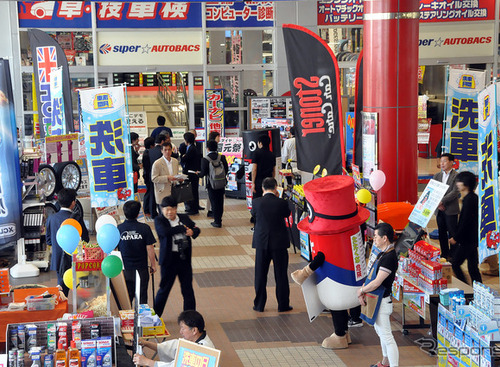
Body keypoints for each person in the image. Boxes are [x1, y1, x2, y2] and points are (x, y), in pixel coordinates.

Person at [357, 223, 399, 367]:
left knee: (387, 336)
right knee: (381, 333)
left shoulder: (389, 257)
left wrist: (362, 290)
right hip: (379, 301)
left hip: (382, 302)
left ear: (385, 238)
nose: (373, 239)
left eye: (376, 236)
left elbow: (377, 282)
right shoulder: (384, 253)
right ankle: (385, 362)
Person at [154, 196, 200, 317]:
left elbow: (196, 228)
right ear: (162, 209)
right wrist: (181, 228)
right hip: (168, 260)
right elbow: (164, 232)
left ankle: (190, 317)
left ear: (176, 208)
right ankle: (155, 316)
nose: (169, 212)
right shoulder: (159, 220)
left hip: (183, 258)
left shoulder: (184, 217)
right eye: (166, 209)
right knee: (164, 289)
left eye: (172, 209)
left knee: (187, 290)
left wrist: (193, 232)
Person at [251, 177, 292, 312]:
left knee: (260, 275)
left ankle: (259, 305)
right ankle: (283, 305)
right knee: (281, 274)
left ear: (262, 188)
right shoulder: (281, 203)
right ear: (275, 188)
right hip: (279, 243)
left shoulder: (256, 202)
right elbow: (287, 214)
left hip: (262, 243)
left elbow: (254, 215)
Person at [46, 188, 89, 296]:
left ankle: (61, 312)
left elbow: (49, 240)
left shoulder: (51, 218)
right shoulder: (76, 218)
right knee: (81, 291)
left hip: (58, 259)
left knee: (61, 291)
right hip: (75, 260)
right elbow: (85, 239)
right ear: (73, 202)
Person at [133, 310, 214, 367]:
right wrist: (146, 343)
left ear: (194, 330)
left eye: (183, 328)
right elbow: (172, 347)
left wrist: (147, 362)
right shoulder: (195, 339)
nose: (180, 332)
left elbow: (175, 365)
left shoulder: (202, 350)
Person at [117, 200, 157, 305]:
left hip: (125, 270)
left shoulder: (119, 229)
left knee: (127, 298)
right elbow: (150, 248)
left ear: (124, 212)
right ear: (138, 213)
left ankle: (127, 319)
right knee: (142, 298)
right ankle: (141, 319)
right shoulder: (144, 228)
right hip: (141, 269)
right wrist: (153, 265)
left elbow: (114, 250)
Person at [449, 171, 482, 285]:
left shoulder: (469, 200)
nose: (457, 184)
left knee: (456, 263)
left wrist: (456, 238)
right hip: (472, 239)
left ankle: (466, 286)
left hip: (467, 240)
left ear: (465, 184)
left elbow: (465, 222)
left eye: (459, 182)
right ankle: (478, 290)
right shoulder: (472, 198)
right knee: (473, 267)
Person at [432, 153, 460, 261]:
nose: (442, 163)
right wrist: (438, 204)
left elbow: (455, 192)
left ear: (451, 162)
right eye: (441, 161)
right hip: (440, 210)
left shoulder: (456, 176)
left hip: (451, 209)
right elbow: (433, 190)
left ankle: (453, 255)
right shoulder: (437, 176)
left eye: (444, 161)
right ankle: (444, 254)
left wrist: (442, 201)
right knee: (442, 232)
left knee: (453, 233)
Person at [199, 139, 228, 228]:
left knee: (214, 202)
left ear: (207, 148)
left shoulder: (205, 159)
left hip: (211, 184)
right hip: (221, 182)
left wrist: (198, 174)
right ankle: (219, 219)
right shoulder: (222, 157)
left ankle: (217, 221)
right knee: (220, 201)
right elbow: (226, 169)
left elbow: (203, 173)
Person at [151, 142, 182, 214]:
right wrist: (167, 178)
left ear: (172, 150)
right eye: (165, 150)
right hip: (162, 192)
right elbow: (154, 178)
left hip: (173, 191)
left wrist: (179, 179)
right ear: (162, 151)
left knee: (173, 214)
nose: (167, 152)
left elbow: (175, 175)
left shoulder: (175, 161)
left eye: (169, 150)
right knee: (163, 215)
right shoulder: (157, 163)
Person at [180, 131, 202, 215]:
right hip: (192, 172)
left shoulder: (191, 149)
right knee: (193, 190)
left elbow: (185, 159)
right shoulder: (192, 147)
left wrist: (183, 157)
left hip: (191, 172)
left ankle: (193, 209)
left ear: (187, 140)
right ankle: (193, 207)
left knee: (192, 191)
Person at [146, 134, 168, 218]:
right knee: (162, 195)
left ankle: (153, 213)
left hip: (151, 176)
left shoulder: (150, 151)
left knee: (152, 194)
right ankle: (162, 212)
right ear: (163, 141)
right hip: (162, 177)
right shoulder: (163, 152)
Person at [251, 134, 275, 200]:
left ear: (260, 143)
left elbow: (254, 169)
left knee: (257, 199)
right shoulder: (272, 154)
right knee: (268, 199)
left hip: (259, 181)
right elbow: (273, 170)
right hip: (269, 181)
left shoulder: (256, 153)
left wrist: (253, 183)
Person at [141, 137, 155, 218]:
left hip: (147, 175)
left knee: (149, 192)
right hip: (148, 176)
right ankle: (146, 210)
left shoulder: (146, 152)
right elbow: (147, 167)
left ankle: (147, 209)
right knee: (149, 192)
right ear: (151, 145)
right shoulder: (147, 154)